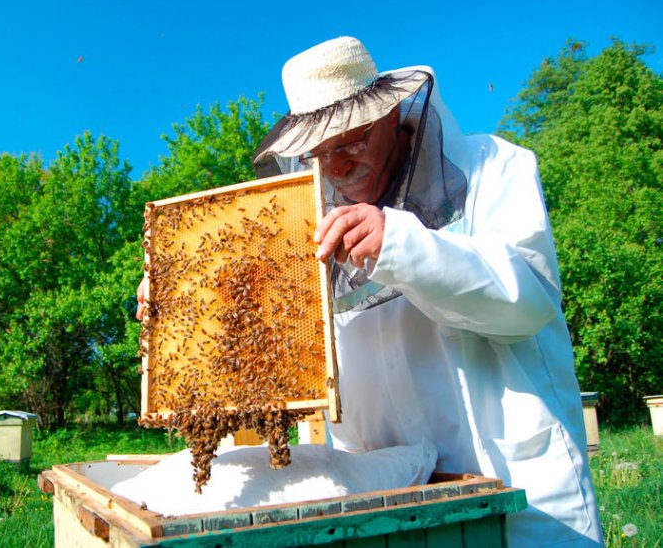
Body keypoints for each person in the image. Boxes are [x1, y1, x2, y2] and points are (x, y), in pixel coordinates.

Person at [249, 36, 603, 547]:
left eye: (350, 143)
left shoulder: (492, 167)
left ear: (391, 114)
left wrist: (398, 244)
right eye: (319, 154)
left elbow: (526, 303)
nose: (338, 168)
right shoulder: (310, 223)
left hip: (516, 492)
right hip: (389, 505)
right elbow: (281, 350)